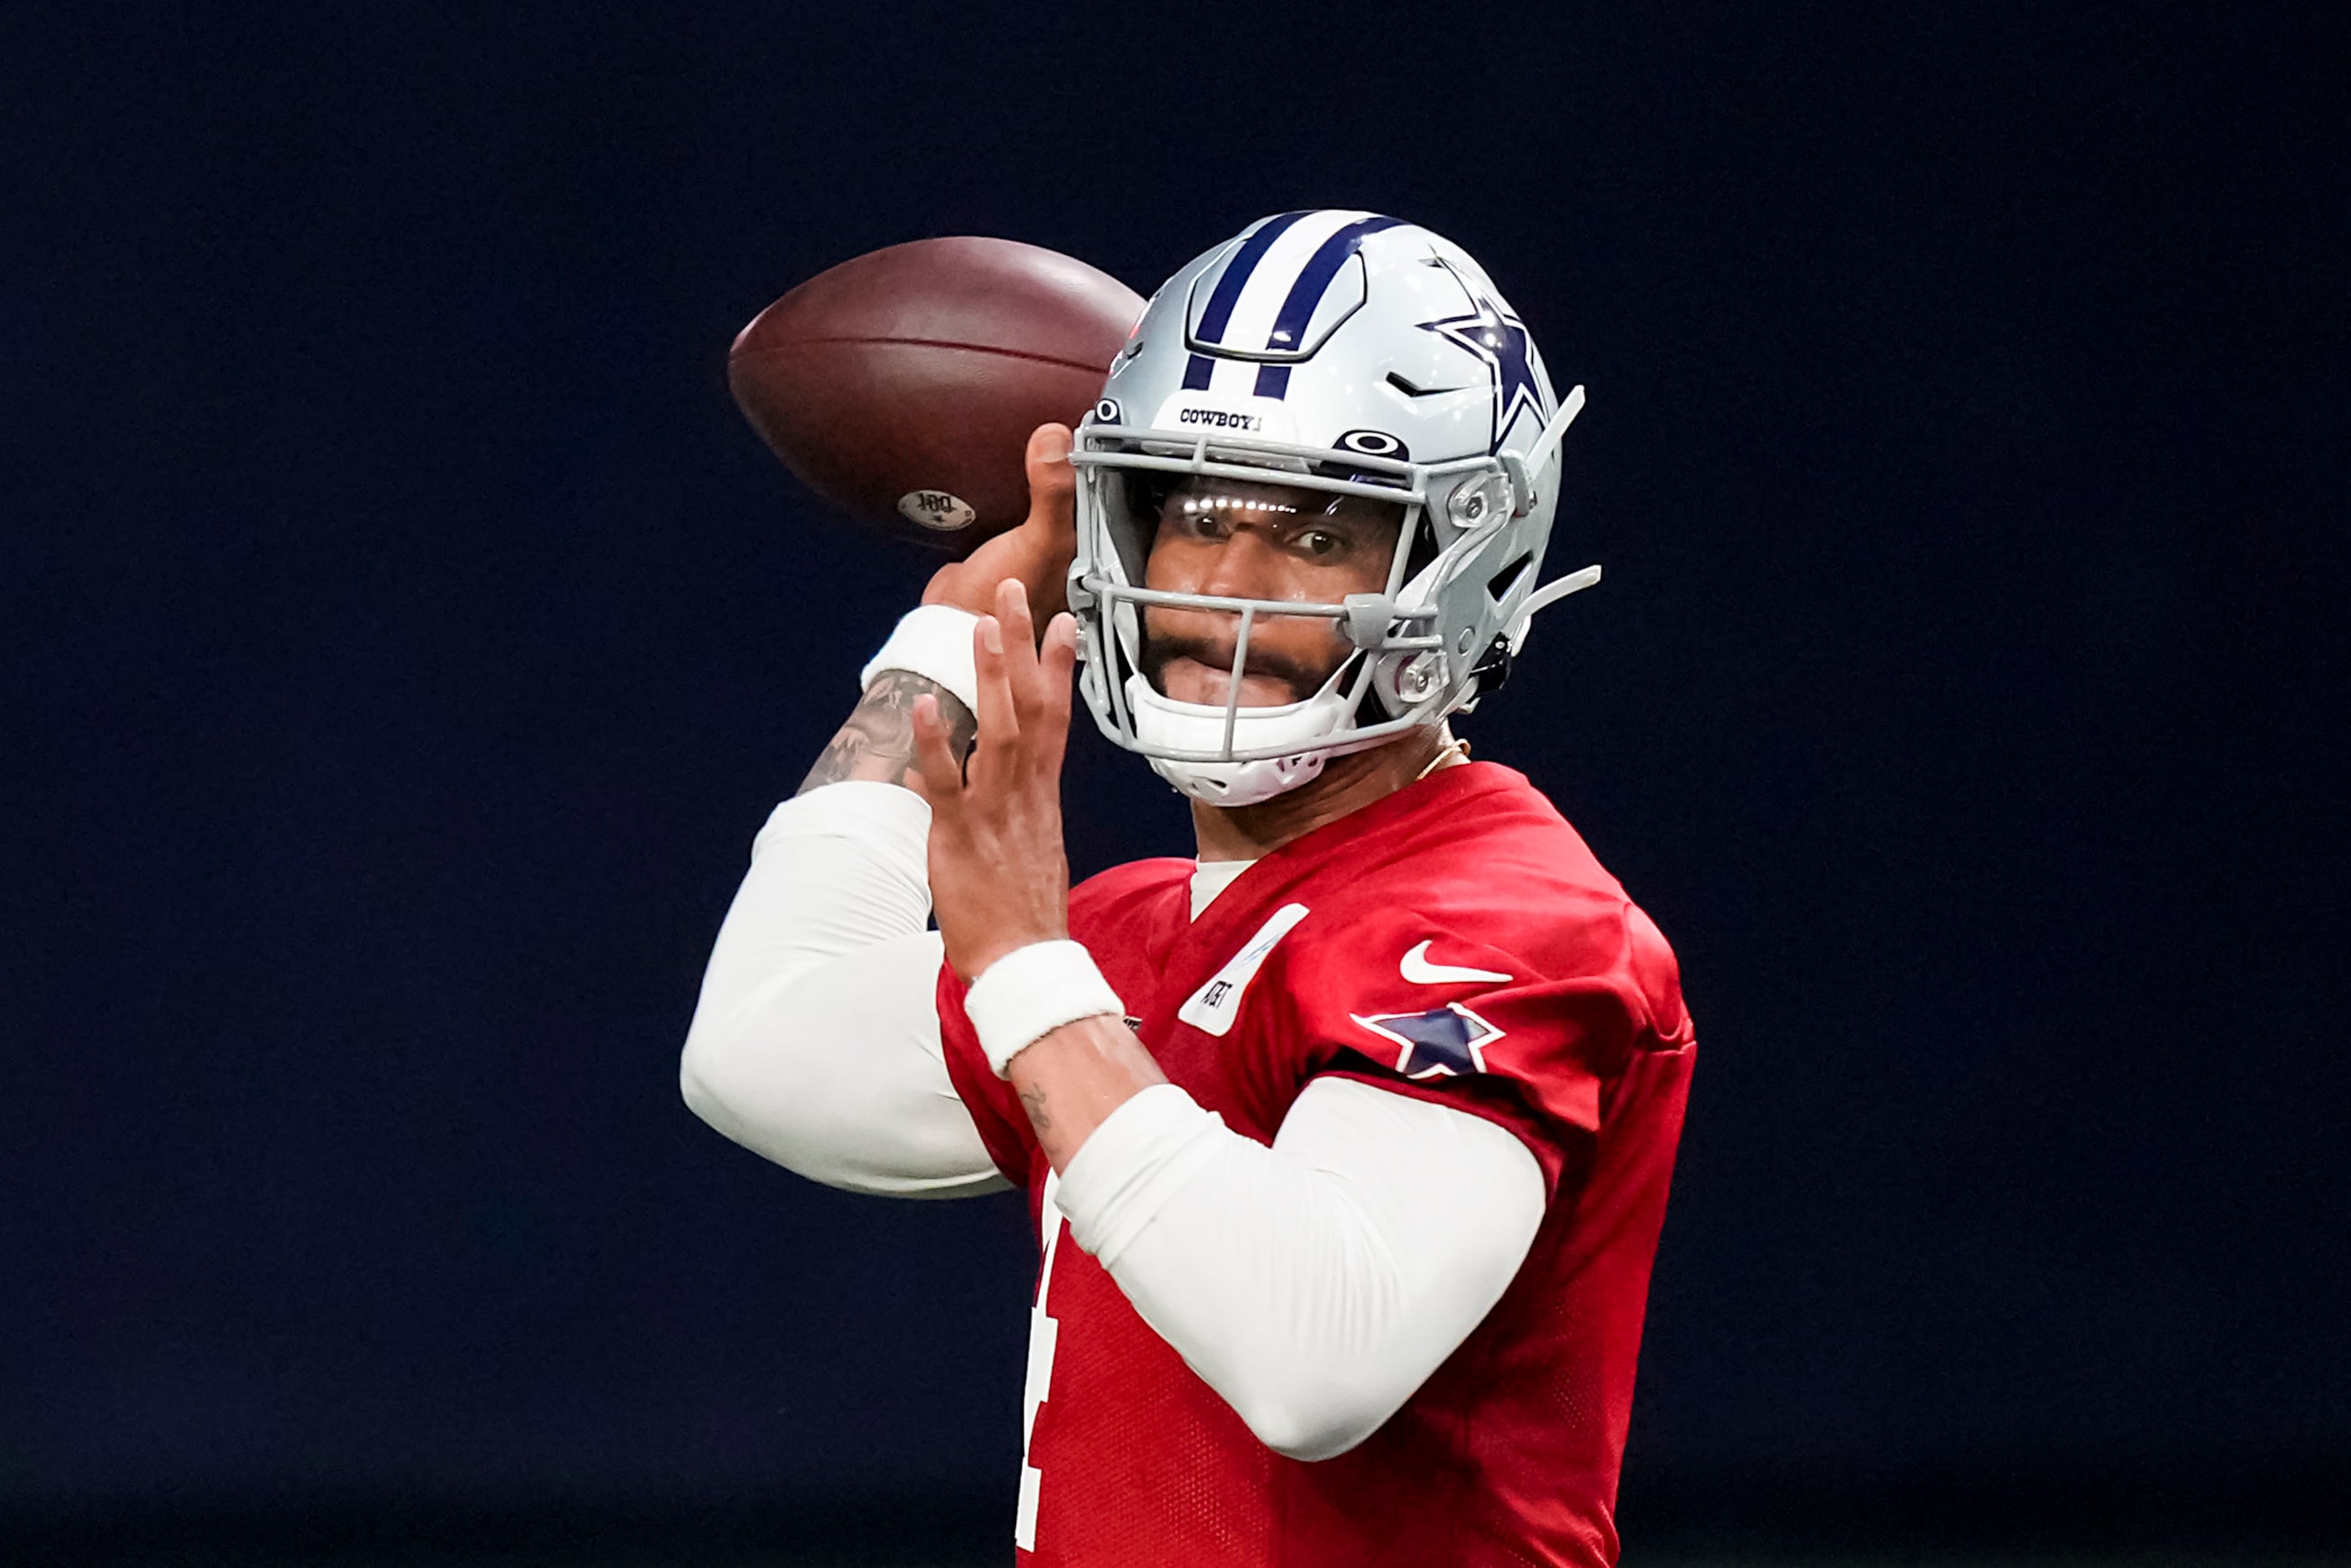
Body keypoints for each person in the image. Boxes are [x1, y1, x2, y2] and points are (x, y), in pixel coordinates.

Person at [681, 210, 1695, 1567]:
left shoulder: (1508, 916)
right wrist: (943, 641)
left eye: (1321, 529)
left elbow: (1316, 1357)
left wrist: (1029, 976)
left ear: (1466, 562)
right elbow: (759, 1044)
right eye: (1192, 510)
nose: (1224, 584)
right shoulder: (1129, 933)